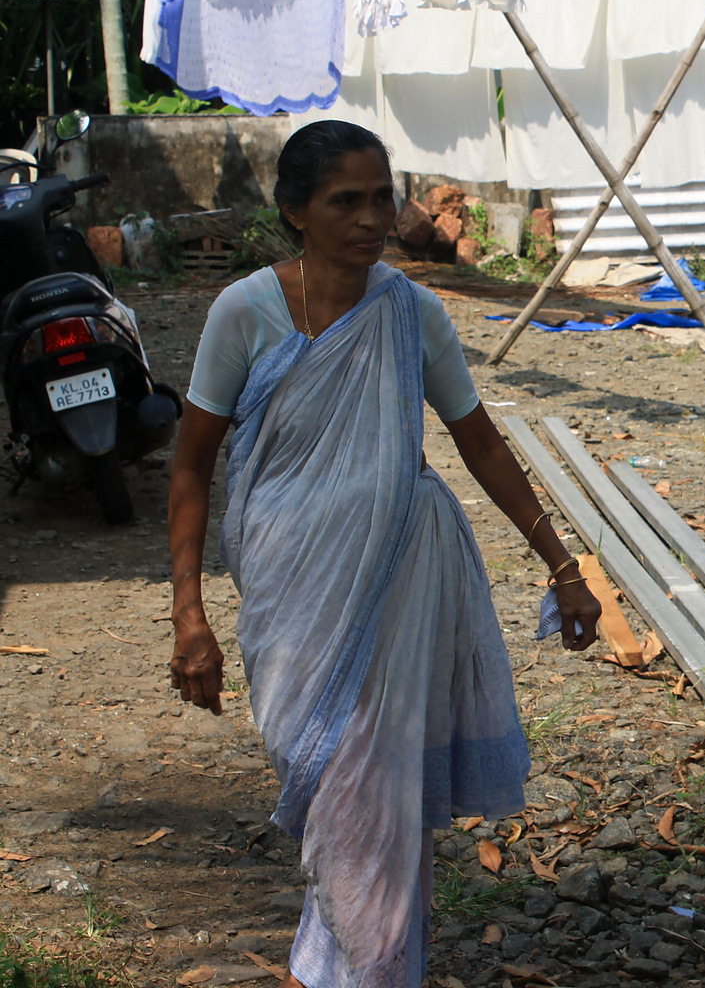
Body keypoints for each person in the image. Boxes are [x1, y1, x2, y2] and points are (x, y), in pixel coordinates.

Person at [166, 120, 602, 988]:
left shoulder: (413, 314)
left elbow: (478, 443)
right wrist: (189, 613)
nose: (372, 219)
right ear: (295, 211)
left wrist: (565, 566)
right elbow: (191, 464)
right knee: (334, 788)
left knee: (375, 810)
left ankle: (362, 972)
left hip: (403, 580)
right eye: (346, 201)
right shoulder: (244, 313)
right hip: (290, 602)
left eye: (381, 198)